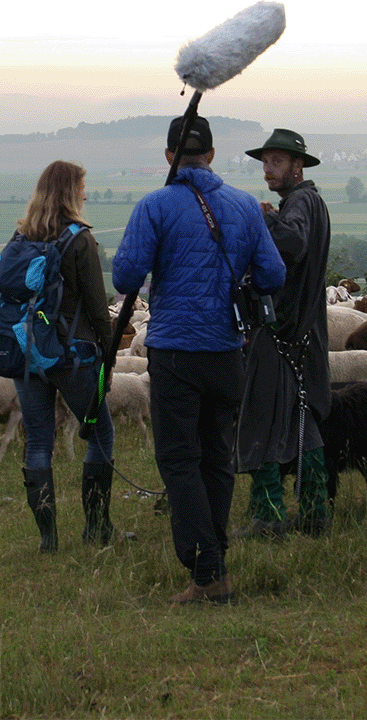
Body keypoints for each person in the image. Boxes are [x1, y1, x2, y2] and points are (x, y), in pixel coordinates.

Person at [111, 115, 285, 605]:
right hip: (228, 351)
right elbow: (273, 274)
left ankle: (206, 570)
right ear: (210, 155)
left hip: (174, 352)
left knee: (178, 460)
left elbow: (126, 276)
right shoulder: (245, 207)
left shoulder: (156, 206)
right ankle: (217, 565)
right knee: (216, 460)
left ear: (170, 157)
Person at [10, 160, 118, 552]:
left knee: (38, 441)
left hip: (27, 354)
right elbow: (95, 303)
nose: (87, 195)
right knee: (101, 432)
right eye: (83, 188)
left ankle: (47, 540)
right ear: (71, 192)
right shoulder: (79, 239)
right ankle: (96, 527)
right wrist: (109, 352)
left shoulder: (21, 237)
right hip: (72, 356)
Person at [234, 127, 333, 537]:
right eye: (264, 162)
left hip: (280, 331)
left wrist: (264, 219)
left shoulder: (301, 202)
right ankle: (314, 512)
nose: (267, 170)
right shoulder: (308, 202)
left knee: (260, 421)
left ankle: (268, 516)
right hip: (302, 334)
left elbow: (291, 243)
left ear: (297, 165)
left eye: (276, 162)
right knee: (302, 423)